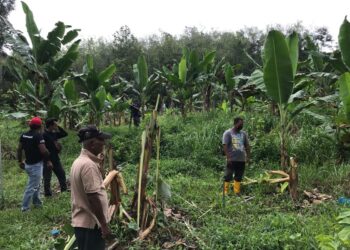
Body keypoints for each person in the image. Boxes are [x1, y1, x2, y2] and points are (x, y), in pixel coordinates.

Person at [70, 125, 112, 250]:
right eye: (101, 140)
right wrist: (103, 225)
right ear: (92, 144)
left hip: (82, 224)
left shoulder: (79, 161)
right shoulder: (88, 166)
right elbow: (93, 198)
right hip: (92, 225)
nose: (104, 143)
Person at [17, 117, 51, 212]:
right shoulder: (38, 136)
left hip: (28, 164)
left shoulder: (24, 135)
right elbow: (44, 151)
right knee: (31, 187)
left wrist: (20, 161)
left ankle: (37, 203)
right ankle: (25, 208)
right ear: (40, 126)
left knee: (37, 184)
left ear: (30, 125)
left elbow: (19, 149)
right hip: (36, 165)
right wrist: (48, 160)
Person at [222, 117, 251, 195]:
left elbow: (247, 145)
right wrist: (228, 157)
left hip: (241, 159)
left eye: (242, 124)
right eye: (240, 124)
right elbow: (224, 146)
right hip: (232, 159)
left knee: (239, 176)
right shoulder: (228, 133)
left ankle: (236, 192)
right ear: (235, 123)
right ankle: (225, 192)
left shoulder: (243, 134)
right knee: (228, 175)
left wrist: (248, 156)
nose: (242, 125)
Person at [43, 118, 68, 197]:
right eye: (55, 124)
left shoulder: (54, 133)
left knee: (61, 174)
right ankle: (47, 194)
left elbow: (64, 134)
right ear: (50, 125)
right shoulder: (44, 135)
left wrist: (58, 127)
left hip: (55, 158)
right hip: (47, 159)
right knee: (47, 177)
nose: (56, 125)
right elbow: (43, 149)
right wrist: (47, 160)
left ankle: (64, 190)